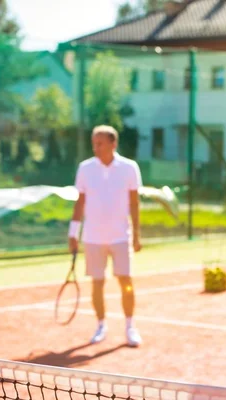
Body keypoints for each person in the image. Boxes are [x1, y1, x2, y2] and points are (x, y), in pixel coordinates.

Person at [68, 125, 143, 347]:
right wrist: (73, 232)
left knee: (126, 281)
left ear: (113, 143)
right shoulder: (85, 168)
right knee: (97, 284)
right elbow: (80, 201)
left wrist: (137, 235)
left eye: (99, 143)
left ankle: (130, 326)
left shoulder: (130, 168)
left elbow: (134, 203)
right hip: (92, 238)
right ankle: (101, 325)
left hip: (121, 237)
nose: (95, 147)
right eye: (94, 143)